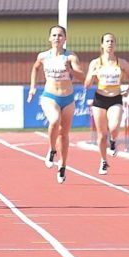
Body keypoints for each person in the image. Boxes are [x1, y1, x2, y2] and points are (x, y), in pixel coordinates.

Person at [27, 25, 84, 184]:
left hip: (68, 98)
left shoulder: (70, 57)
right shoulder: (43, 56)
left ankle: (62, 165)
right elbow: (35, 68)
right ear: (49, 38)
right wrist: (32, 87)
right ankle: (52, 150)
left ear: (65, 39)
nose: (57, 38)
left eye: (60, 35)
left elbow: (82, 76)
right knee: (54, 120)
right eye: (54, 35)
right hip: (50, 96)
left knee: (64, 135)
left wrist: (71, 70)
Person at [83, 33, 129, 175]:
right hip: (100, 99)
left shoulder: (121, 63)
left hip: (115, 98)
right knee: (101, 135)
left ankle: (113, 140)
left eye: (112, 41)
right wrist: (92, 75)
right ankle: (103, 161)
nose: (110, 44)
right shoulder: (95, 63)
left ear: (115, 44)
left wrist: (128, 90)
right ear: (102, 45)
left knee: (113, 127)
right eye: (107, 41)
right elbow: (87, 85)